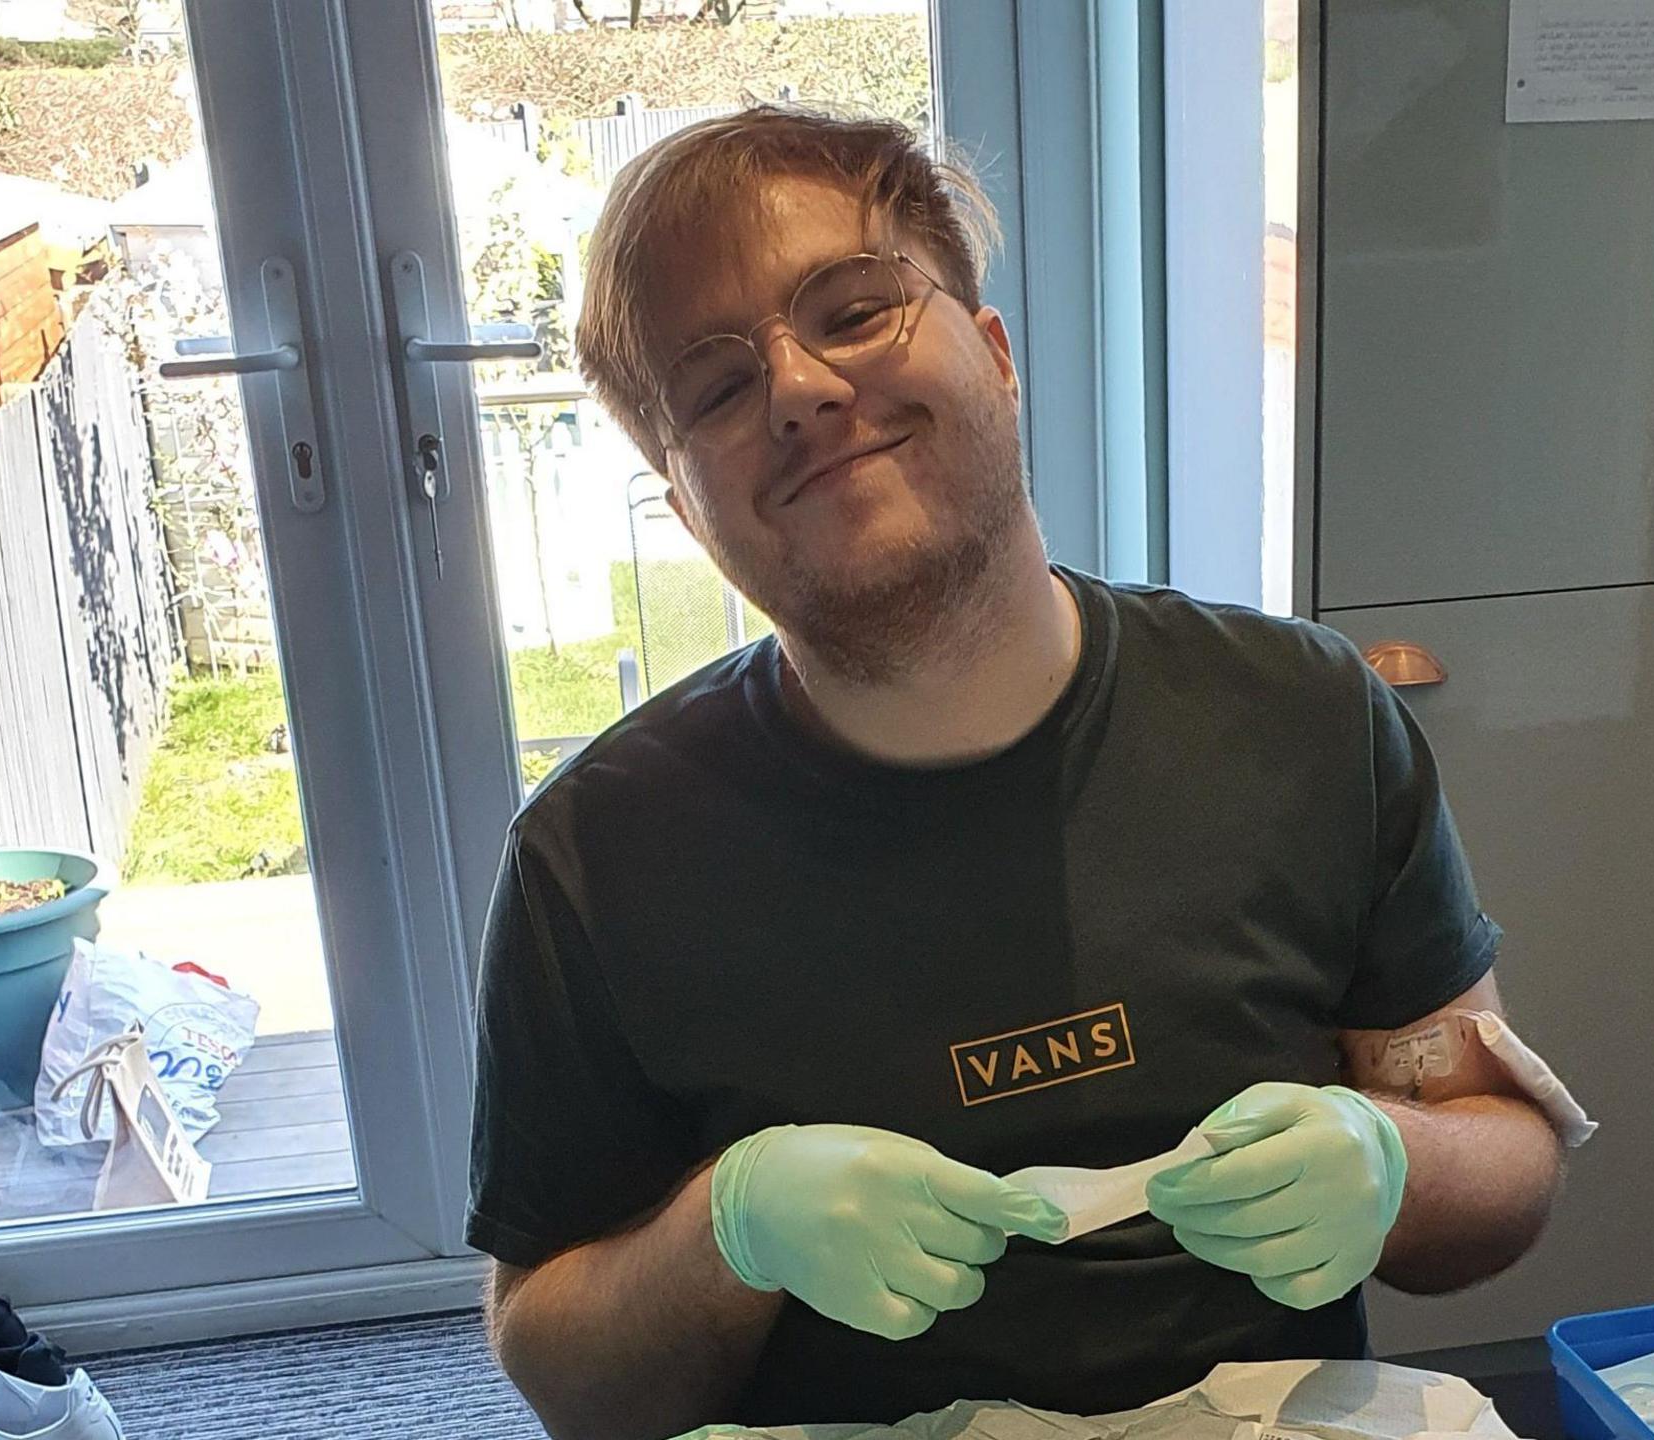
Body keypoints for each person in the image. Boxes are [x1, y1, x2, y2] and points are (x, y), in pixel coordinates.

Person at [468, 105, 1568, 1440]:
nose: (801, 387)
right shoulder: (596, 858)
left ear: (993, 355)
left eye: (854, 309)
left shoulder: (1303, 720)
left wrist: (1394, 1163)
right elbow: (561, 1369)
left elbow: (1500, 1151)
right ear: (691, 509)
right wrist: (726, 1231)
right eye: (714, 388)